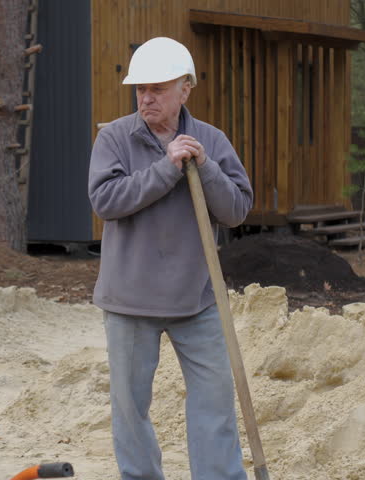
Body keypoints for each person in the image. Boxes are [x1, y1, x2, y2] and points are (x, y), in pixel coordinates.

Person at [87, 37, 253, 480]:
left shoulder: (211, 140)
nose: (146, 97)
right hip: (129, 301)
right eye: (140, 88)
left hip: (198, 298)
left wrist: (205, 165)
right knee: (130, 410)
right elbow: (105, 201)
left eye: (158, 88)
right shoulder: (114, 138)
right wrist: (167, 168)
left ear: (186, 88)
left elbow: (236, 211)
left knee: (215, 403)